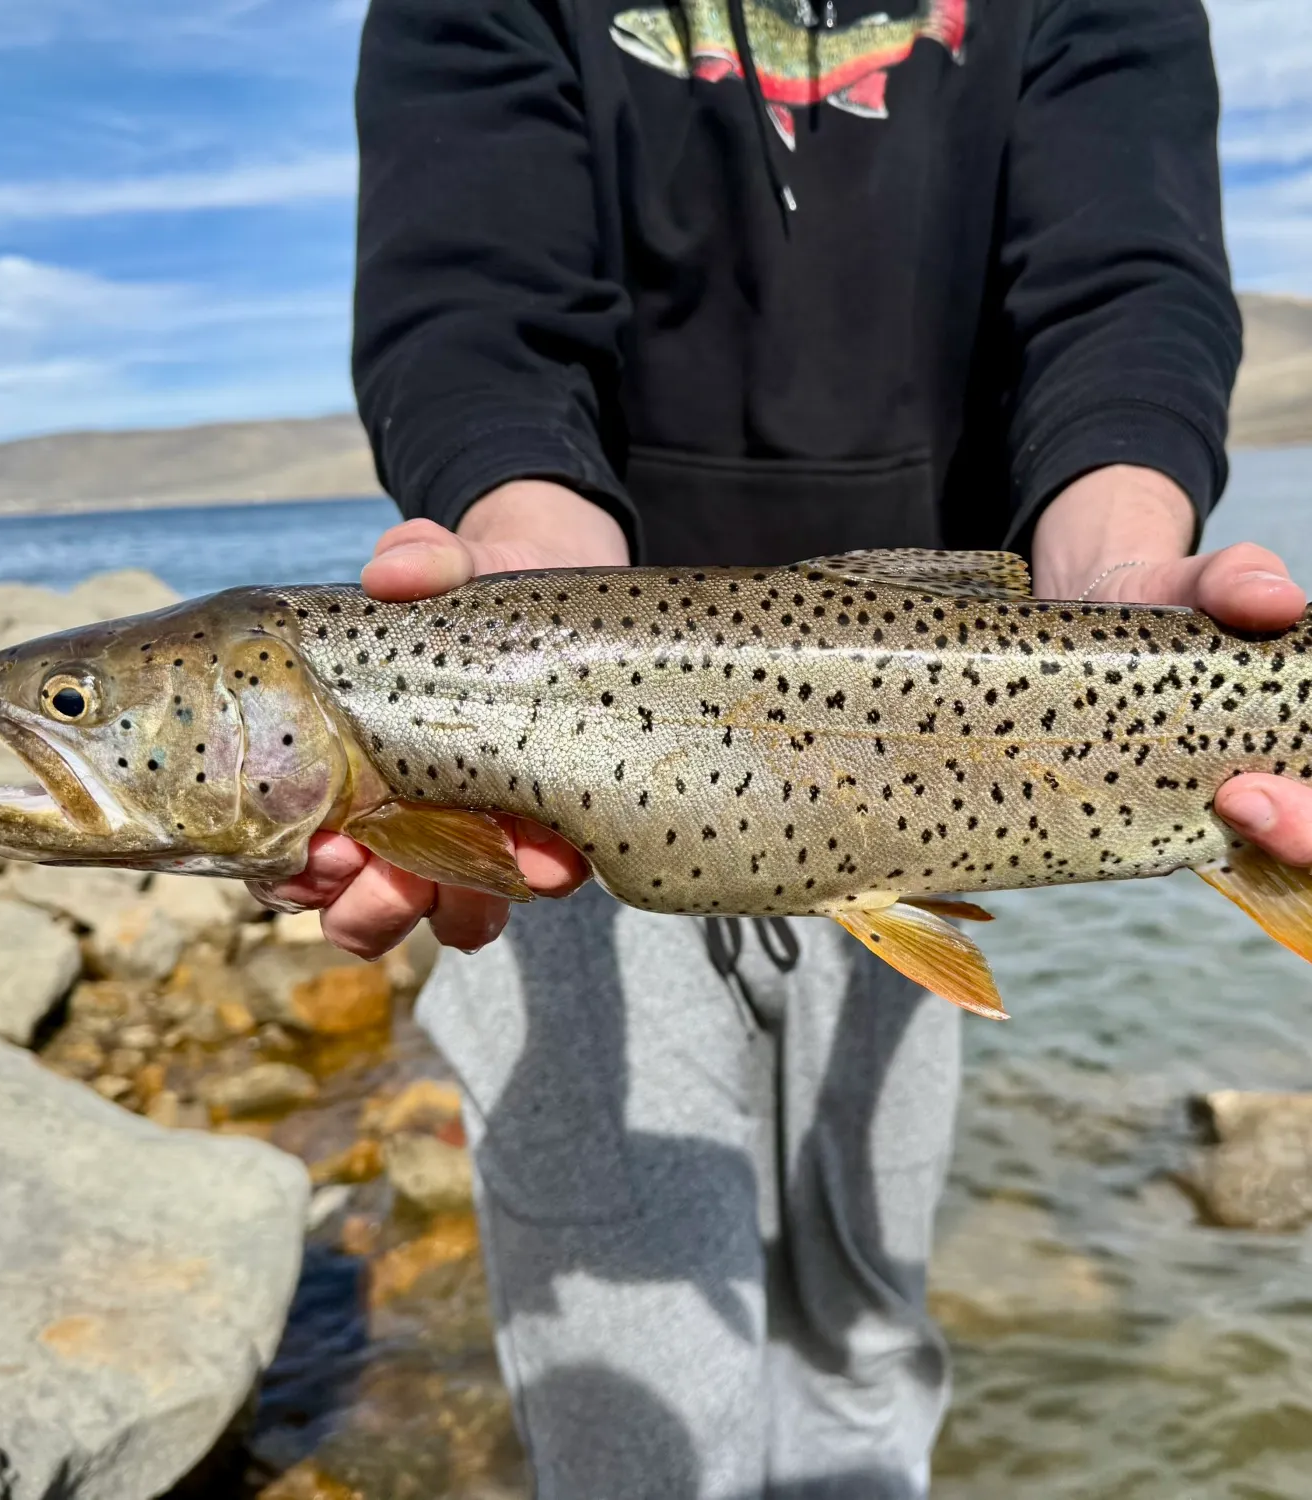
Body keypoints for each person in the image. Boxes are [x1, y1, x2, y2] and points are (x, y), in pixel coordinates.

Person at [265, 0, 1312, 1494]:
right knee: (619, 1347)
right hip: (564, 766)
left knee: (865, 1334)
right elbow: (473, 311)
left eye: (77, 714)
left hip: (939, 753)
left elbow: (1122, 291)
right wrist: (521, 540)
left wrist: (1130, 574)